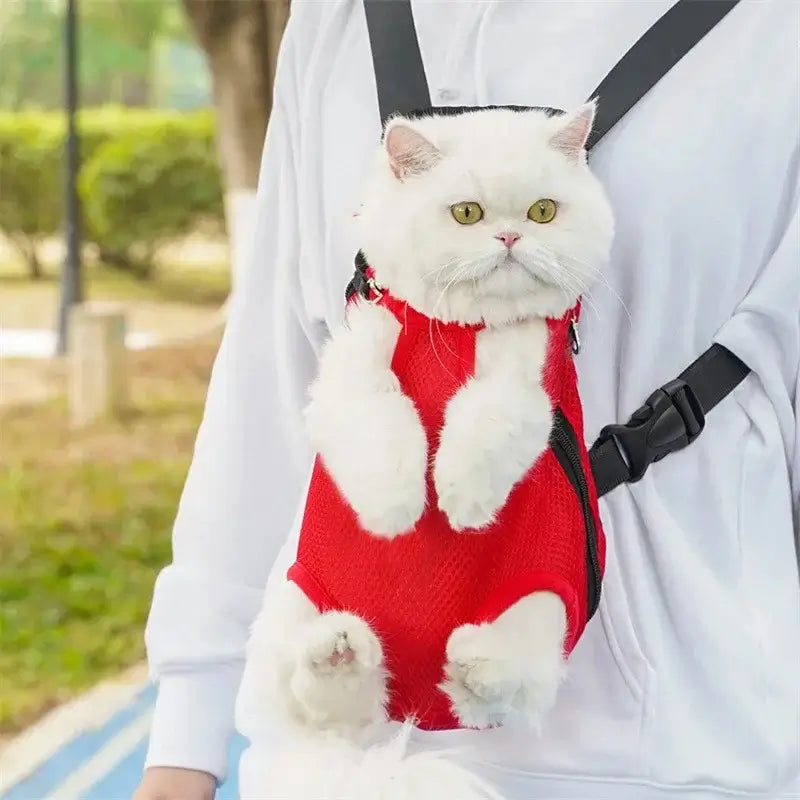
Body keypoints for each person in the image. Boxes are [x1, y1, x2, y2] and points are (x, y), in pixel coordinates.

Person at [134, 2, 800, 799]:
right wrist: (185, 740)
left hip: (684, 757)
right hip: (333, 753)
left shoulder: (775, 32)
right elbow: (272, 378)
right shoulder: (338, 19)